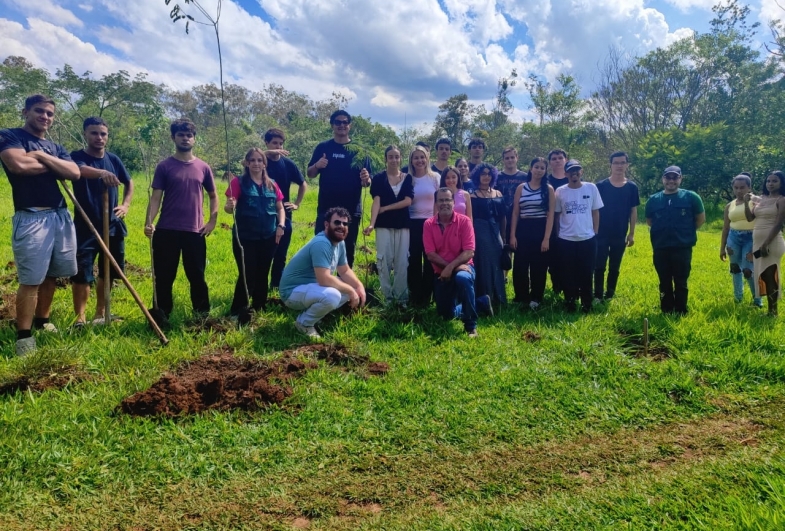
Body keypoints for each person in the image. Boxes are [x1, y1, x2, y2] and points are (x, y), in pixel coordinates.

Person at [0, 94, 80, 356]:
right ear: (25, 112)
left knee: (53, 274)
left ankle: (42, 320)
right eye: (39, 111)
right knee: (31, 278)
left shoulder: (54, 146)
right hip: (32, 217)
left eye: (49, 114)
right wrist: (56, 165)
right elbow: (19, 165)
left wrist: (42, 157)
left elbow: (74, 173)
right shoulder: (10, 136)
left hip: (60, 216)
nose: (45, 117)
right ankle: (24, 336)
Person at [144, 118, 218, 319]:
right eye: (181, 135)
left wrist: (212, 220)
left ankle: (202, 314)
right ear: (173, 137)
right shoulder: (164, 166)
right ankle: (161, 314)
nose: (185, 139)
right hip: (166, 230)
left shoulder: (203, 167)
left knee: (197, 275)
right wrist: (148, 222)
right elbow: (156, 197)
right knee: (164, 277)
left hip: (195, 231)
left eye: (189, 135)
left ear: (194, 139)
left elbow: (213, 195)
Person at [69, 117, 134, 326]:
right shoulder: (76, 157)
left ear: (107, 136)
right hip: (86, 224)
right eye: (94, 133)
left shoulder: (113, 159)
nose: (99, 137)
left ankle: (101, 313)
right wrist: (102, 173)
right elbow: (79, 171)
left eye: (103, 134)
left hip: (113, 223)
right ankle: (80, 319)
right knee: (82, 271)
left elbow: (129, 182)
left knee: (109, 270)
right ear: (85, 134)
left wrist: (125, 205)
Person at [280, 207, 367, 338]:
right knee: (333, 296)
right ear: (327, 224)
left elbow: (344, 270)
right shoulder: (322, 243)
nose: (341, 226)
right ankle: (304, 323)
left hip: (310, 288)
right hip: (292, 292)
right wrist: (350, 291)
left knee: (351, 287)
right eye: (337, 222)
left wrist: (359, 287)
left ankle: (316, 312)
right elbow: (324, 279)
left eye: (345, 223)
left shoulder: (340, 243)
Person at [224, 148, 286, 316]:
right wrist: (229, 207)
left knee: (263, 271)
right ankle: (238, 309)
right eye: (252, 160)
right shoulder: (238, 182)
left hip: (269, 236)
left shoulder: (272, 184)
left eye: (260, 160)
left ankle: (259, 305)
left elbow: (280, 207)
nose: (256, 163)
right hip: (245, 237)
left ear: (264, 164)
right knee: (247, 273)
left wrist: (281, 226)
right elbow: (230, 207)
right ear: (247, 163)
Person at [424, 188, 493, 337]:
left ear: (454, 202)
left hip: (464, 268)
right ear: (436, 203)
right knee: (446, 314)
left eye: (448, 200)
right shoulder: (428, 224)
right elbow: (430, 255)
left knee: (463, 278)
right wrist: (450, 268)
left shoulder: (464, 222)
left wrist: (451, 267)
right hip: (441, 272)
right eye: (441, 200)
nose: (444, 203)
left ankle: (471, 326)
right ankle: (481, 303)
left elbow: (469, 252)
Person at [306, 110, 370, 267]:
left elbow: (367, 182)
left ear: (350, 125)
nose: (342, 125)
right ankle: (321, 285)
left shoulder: (359, 151)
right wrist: (317, 165)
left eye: (345, 122)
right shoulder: (323, 147)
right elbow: (310, 173)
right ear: (332, 125)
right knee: (322, 247)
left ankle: (344, 287)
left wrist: (366, 179)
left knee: (348, 251)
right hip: (326, 209)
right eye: (338, 122)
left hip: (351, 210)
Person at [645, 166, 705, 315]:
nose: (671, 180)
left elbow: (700, 219)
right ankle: (666, 309)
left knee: (681, 281)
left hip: (682, 247)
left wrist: (684, 233)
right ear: (663, 179)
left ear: (680, 179)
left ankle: (680, 310)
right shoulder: (653, 200)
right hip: (661, 246)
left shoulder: (691, 197)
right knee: (664, 281)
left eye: (675, 177)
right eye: (668, 177)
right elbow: (649, 221)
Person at [363, 145, 413, 306]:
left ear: (400, 159)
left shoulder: (407, 178)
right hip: (383, 225)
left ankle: (402, 298)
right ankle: (386, 297)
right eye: (390, 157)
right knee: (383, 261)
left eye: (396, 157)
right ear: (386, 159)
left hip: (403, 224)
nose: (394, 160)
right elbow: (376, 201)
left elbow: (408, 201)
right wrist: (371, 224)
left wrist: (386, 208)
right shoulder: (378, 178)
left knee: (402, 261)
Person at [554, 159, 603, 313]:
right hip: (566, 239)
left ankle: (586, 304)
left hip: (587, 239)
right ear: (565, 173)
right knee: (568, 272)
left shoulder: (591, 188)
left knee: (587, 272)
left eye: (577, 171)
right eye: (571, 171)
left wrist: (595, 232)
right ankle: (570, 301)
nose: (574, 174)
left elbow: (596, 212)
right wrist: (557, 234)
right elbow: (557, 215)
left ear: (581, 172)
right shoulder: (560, 191)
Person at [263, 128, 307, 290]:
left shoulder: (288, 164)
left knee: (280, 254)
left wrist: (297, 203)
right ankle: (258, 286)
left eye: (281, 144)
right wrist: (266, 153)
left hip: (284, 215)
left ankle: (275, 286)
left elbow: (303, 184)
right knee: (264, 254)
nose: (278, 147)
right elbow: (245, 161)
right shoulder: (259, 162)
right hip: (263, 215)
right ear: (266, 143)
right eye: (275, 143)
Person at [594, 151, 640, 302]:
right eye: (616, 163)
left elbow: (633, 211)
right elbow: (594, 210)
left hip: (620, 233)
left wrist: (631, 233)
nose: (619, 166)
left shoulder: (632, 187)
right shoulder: (600, 186)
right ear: (611, 165)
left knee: (615, 266)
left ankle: (610, 294)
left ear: (627, 165)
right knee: (599, 265)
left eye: (622, 163)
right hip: (600, 233)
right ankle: (598, 294)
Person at [509, 157, 555, 309]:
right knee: (520, 266)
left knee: (538, 267)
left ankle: (536, 298)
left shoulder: (548, 189)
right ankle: (522, 296)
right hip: (523, 228)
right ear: (531, 168)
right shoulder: (521, 187)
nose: (539, 170)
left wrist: (546, 238)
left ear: (545, 171)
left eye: (542, 168)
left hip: (540, 229)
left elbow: (551, 215)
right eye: (537, 167)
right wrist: (512, 235)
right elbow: (515, 213)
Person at [743, 171, 785, 316]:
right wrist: (746, 203)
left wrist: (766, 243)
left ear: (781, 183)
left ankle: (773, 311)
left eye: (775, 181)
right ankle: (770, 310)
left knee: (770, 274)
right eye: (768, 181)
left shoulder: (781, 200)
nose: (770, 184)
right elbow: (749, 218)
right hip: (758, 241)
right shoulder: (760, 199)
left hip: (772, 241)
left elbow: (779, 224)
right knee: (763, 275)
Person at [720, 174, 762, 308]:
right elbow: (725, 227)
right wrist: (722, 248)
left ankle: (758, 301)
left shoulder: (756, 202)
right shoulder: (729, 206)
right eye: (736, 187)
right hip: (733, 237)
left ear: (749, 187)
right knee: (735, 268)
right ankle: (738, 298)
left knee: (748, 270)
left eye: (742, 187)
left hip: (751, 237)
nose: (739, 190)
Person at [407, 146, 440, 307]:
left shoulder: (435, 178)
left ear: (427, 158)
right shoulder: (407, 179)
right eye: (416, 158)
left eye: (422, 157)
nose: (419, 160)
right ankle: (415, 295)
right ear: (411, 161)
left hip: (431, 223)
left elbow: (441, 200)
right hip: (412, 223)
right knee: (413, 260)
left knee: (429, 260)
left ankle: (427, 296)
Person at [469, 163, 507, 305]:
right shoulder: (472, 196)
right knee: (484, 265)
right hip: (480, 233)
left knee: (497, 264)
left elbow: (503, 217)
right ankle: (484, 298)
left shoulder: (499, 194)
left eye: (489, 174)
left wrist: (503, 237)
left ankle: (499, 299)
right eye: (483, 174)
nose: (486, 176)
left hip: (496, 233)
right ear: (478, 176)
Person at [546, 148, 569, 294]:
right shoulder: (545, 181)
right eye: (554, 159)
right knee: (552, 260)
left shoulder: (572, 179)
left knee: (568, 259)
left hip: (569, 225)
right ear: (550, 163)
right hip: (549, 225)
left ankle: (569, 287)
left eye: (560, 158)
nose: (557, 161)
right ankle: (556, 288)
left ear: (565, 160)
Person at [495, 147, 528, 243]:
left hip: (520, 219)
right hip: (501, 219)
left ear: (517, 158)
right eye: (507, 158)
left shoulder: (525, 177)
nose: (510, 160)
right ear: (503, 160)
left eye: (512, 157)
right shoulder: (497, 177)